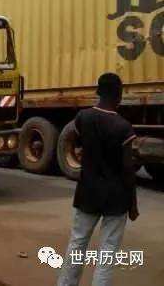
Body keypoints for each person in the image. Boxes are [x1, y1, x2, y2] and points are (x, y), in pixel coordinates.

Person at [58, 73, 139, 286]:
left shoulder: (83, 118)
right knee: (107, 254)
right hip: (116, 198)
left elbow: (75, 142)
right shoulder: (123, 127)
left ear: (98, 91)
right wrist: (133, 204)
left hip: (87, 193)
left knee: (77, 244)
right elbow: (127, 170)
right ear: (119, 94)